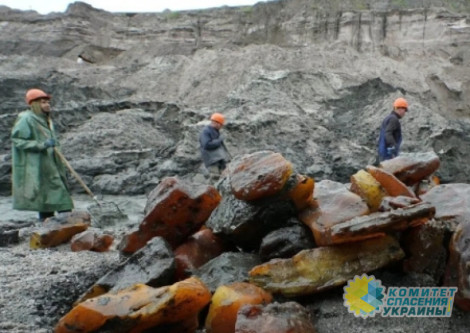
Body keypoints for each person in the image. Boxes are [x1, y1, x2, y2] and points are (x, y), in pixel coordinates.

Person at [11, 88, 74, 221]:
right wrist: (41, 145)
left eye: (48, 102)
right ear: (34, 104)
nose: (47, 105)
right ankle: (51, 230)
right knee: (48, 200)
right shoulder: (26, 119)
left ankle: (58, 229)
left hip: (52, 164)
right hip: (39, 166)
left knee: (57, 197)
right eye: (43, 102)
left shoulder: (45, 120)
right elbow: (17, 140)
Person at [199, 112, 231, 181]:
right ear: (215, 122)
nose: (221, 126)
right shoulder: (206, 131)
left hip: (219, 159)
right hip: (212, 160)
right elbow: (207, 145)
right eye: (220, 124)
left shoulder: (216, 131)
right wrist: (219, 140)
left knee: (223, 179)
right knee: (215, 178)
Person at [377, 97, 408, 162]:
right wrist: (393, 147)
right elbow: (388, 134)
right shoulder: (393, 119)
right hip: (388, 155)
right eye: (404, 110)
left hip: (382, 152)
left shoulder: (388, 118)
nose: (404, 113)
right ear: (400, 108)